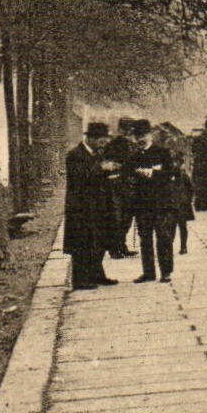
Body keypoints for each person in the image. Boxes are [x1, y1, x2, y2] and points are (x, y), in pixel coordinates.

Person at [63, 122, 121, 290]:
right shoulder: (75, 155)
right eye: (102, 140)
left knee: (98, 241)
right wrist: (101, 168)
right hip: (81, 207)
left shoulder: (96, 155)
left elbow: (96, 175)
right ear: (91, 139)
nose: (104, 144)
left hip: (97, 205)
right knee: (82, 243)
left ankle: (97, 274)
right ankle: (80, 280)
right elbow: (80, 177)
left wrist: (109, 173)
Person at [127, 119, 179, 282]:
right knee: (145, 239)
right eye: (137, 136)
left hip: (161, 203)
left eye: (142, 135)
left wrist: (152, 174)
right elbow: (127, 175)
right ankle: (148, 272)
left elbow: (171, 174)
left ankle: (166, 272)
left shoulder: (162, 153)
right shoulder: (134, 156)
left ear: (150, 135)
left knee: (163, 237)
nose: (140, 139)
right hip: (142, 204)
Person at [102, 118, 137, 258]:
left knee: (127, 216)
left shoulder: (131, 144)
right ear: (122, 129)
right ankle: (113, 248)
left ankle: (122, 245)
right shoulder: (113, 144)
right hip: (116, 185)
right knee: (117, 217)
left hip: (128, 184)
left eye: (131, 130)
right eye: (127, 129)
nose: (129, 132)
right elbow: (107, 163)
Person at [170, 152, 196, 254]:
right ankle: (170, 246)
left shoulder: (184, 176)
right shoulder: (168, 176)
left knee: (181, 226)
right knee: (172, 227)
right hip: (173, 204)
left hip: (181, 205)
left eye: (178, 163)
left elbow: (191, 188)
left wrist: (188, 200)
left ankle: (183, 246)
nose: (175, 165)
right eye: (173, 163)